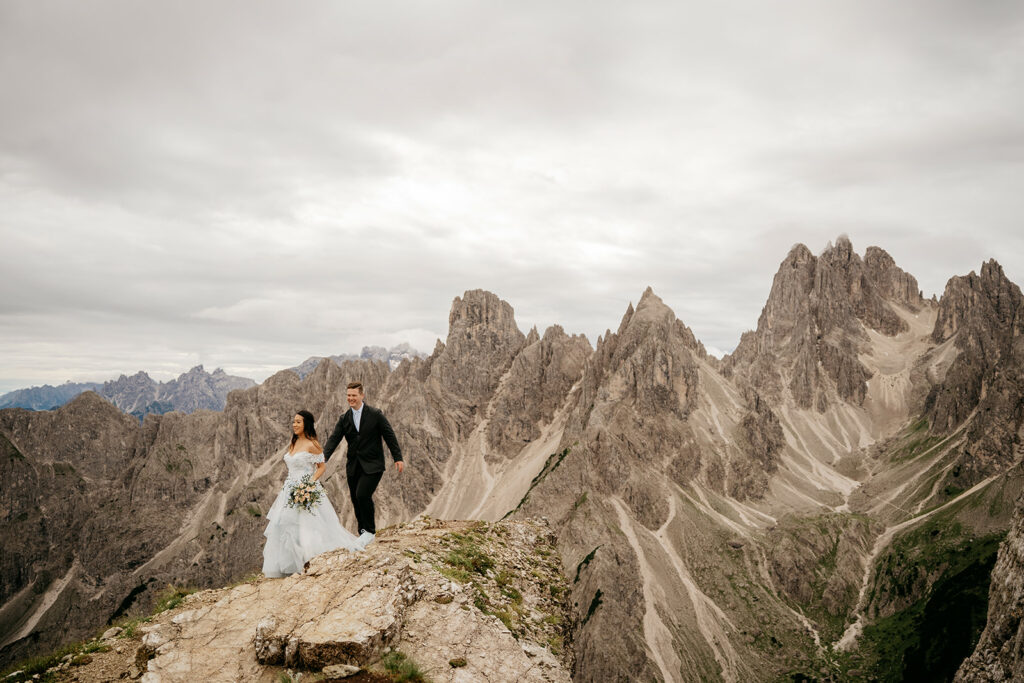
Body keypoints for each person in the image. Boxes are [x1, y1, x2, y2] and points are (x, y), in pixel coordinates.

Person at [262, 410, 361, 577]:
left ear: (306, 424)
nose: (294, 424)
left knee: (308, 525)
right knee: (285, 525)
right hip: (289, 489)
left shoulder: (312, 444)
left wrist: (309, 484)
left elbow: (322, 467)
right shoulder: (293, 443)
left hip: (306, 487)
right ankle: (293, 564)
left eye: (298, 422)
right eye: (293, 421)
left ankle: (310, 560)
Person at [323, 381, 403, 548]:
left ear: (361, 395)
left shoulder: (375, 414)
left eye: (354, 395)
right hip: (353, 466)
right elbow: (333, 439)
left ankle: (370, 532)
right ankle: (363, 533)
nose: (350, 398)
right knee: (355, 499)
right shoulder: (344, 418)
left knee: (362, 494)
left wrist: (398, 457)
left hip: (373, 465)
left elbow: (389, 435)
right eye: (348, 395)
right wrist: (322, 458)